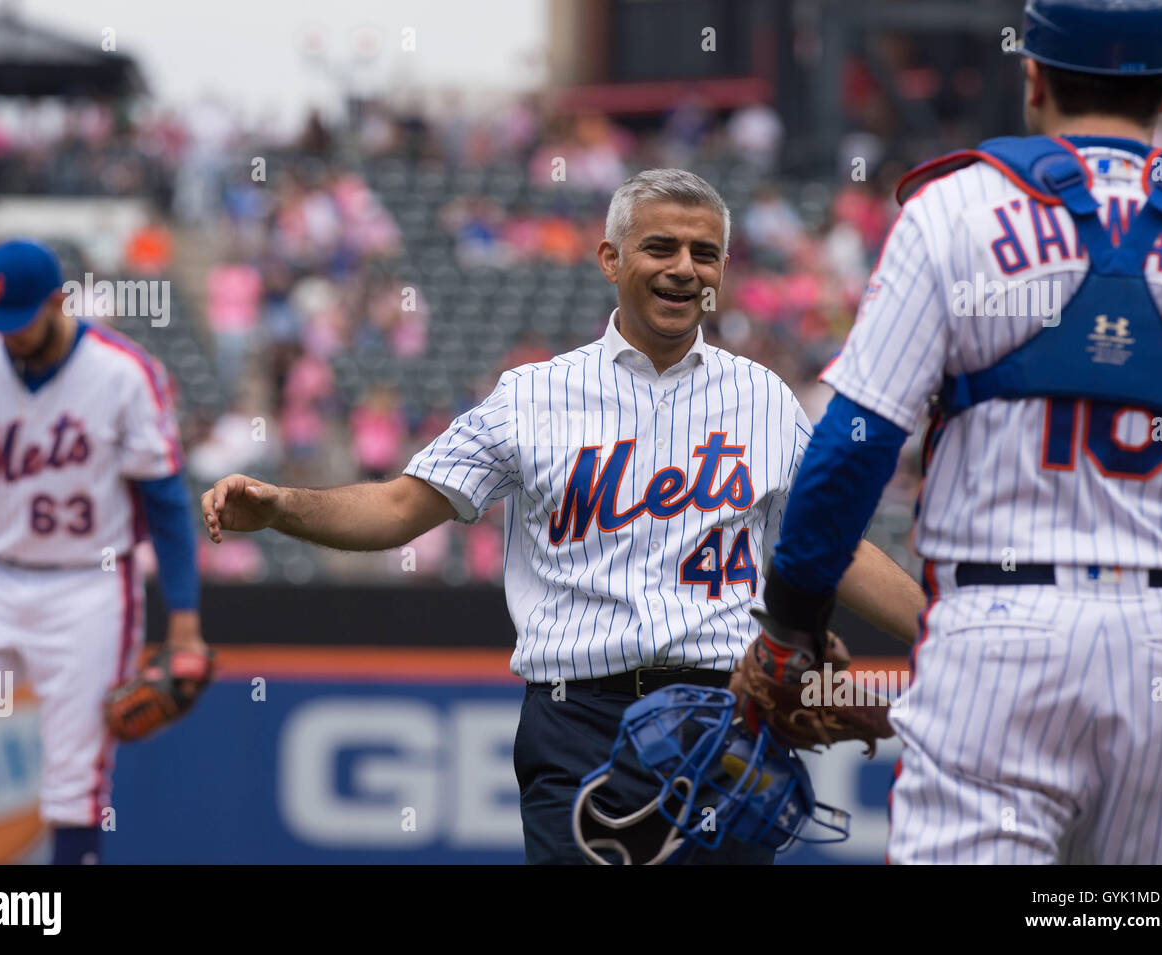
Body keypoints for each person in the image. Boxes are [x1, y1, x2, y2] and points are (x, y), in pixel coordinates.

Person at [202, 169, 925, 865]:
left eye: (704, 253)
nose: (684, 268)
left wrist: (945, 632)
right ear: (610, 258)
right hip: (581, 723)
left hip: (727, 716)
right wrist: (282, 508)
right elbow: (399, 505)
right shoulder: (533, 395)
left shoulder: (764, 399)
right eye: (660, 247)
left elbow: (835, 547)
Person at [753, 0, 1162, 863]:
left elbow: (854, 442)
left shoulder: (956, 208)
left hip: (1002, 628)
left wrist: (792, 625)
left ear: (1031, 78)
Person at [0, 239, 207, 864]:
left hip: (90, 589)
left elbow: (167, 503)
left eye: (20, 319)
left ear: (58, 301)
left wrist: (183, 621)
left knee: (74, 789)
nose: (8, 335)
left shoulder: (124, 372)